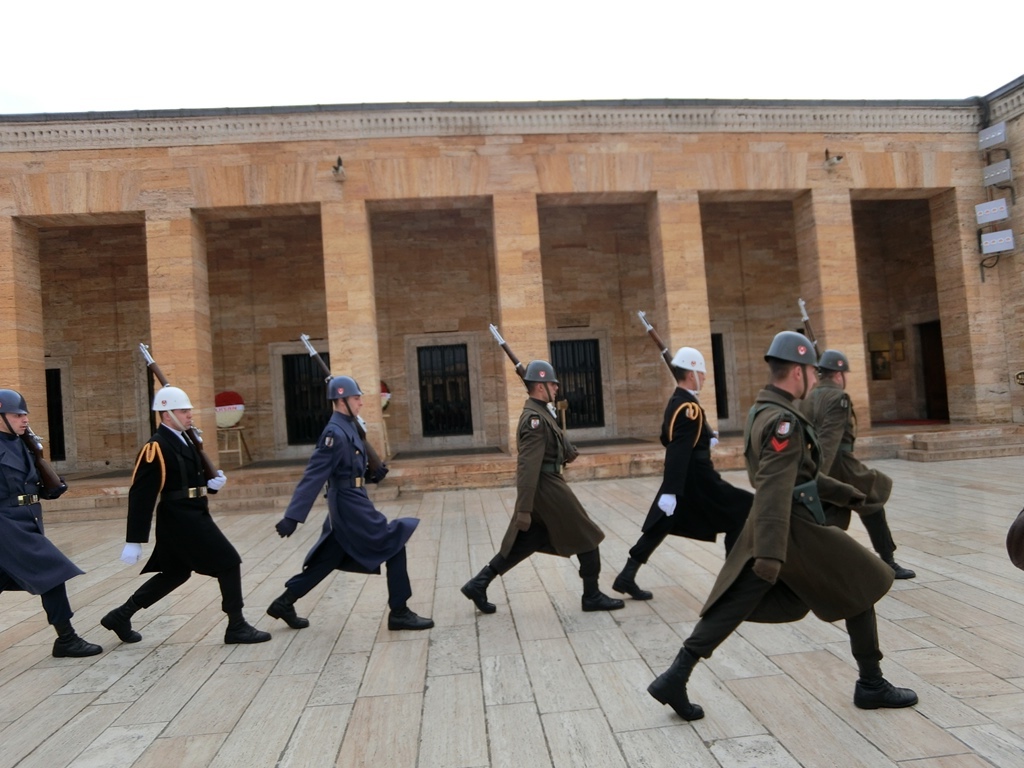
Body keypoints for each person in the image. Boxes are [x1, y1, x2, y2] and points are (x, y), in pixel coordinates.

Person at [647, 332, 917, 720]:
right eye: (811, 370)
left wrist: (846, 493)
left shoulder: (764, 409)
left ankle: (675, 675)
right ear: (797, 371)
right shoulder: (782, 421)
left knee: (734, 602)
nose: (816, 377)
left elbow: (799, 473)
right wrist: (772, 552)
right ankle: (871, 683)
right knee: (862, 582)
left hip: (774, 525)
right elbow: (774, 485)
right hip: (790, 528)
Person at [101, 386, 269, 645]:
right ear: (166, 415)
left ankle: (121, 616)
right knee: (228, 561)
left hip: (191, 513)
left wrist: (210, 485)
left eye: (189, 409)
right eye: (183, 410)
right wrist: (134, 539)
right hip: (180, 519)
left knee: (175, 574)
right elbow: (141, 495)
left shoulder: (186, 439)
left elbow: (189, 479)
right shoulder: (155, 447)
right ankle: (236, 625)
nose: (190, 414)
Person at [267, 375, 433, 632]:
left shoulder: (348, 426)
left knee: (330, 557)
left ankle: (284, 602)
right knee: (395, 541)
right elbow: (315, 475)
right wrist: (293, 516)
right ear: (341, 399)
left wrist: (370, 474)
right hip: (349, 505)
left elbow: (347, 469)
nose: (361, 403)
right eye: (357, 398)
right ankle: (399, 612)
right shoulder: (334, 432)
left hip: (351, 499)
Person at [461, 360, 624, 614]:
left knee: (528, 540)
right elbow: (527, 467)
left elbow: (556, 442)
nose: (557, 388)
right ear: (539, 387)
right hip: (547, 488)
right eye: (552, 383)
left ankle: (478, 584)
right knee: (588, 535)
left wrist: (567, 451)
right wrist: (524, 509)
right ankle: (591, 595)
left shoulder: (543, 412)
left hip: (545, 486)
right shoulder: (534, 420)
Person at [612, 347, 752, 600]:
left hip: (685, 477)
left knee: (661, 523)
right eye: (702, 372)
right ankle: (734, 579)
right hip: (698, 479)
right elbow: (677, 449)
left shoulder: (678, 402)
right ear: (691, 374)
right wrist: (670, 491)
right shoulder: (688, 407)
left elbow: (666, 436)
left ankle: (626, 576)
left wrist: (703, 438)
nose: (706, 377)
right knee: (744, 509)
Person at [0, 389, 102, 658]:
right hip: (6, 524)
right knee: (53, 572)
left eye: (25, 414)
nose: (24, 419)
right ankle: (67, 639)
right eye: (17, 414)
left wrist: (50, 487)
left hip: (26, 519)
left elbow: (28, 482)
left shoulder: (23, 443)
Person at [801, 350, 915, 579]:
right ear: (839, 374)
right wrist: (817, 478)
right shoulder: (838, 398)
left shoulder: (810, 396)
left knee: (832, 513)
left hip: (824, 463)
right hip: (841, 465)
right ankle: (888, 561)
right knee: (873, 501)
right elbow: (829, 439)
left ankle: (813, 562)